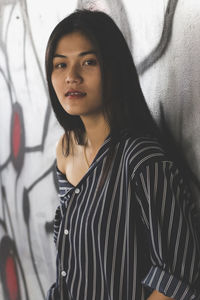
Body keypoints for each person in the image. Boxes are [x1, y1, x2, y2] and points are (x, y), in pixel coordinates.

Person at [45, 9, 200, 300]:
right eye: (60, 65)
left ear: (113, 68)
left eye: (88, 62)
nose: (71, 77)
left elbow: (176, 277)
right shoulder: (66, 150)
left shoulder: (142, 159)